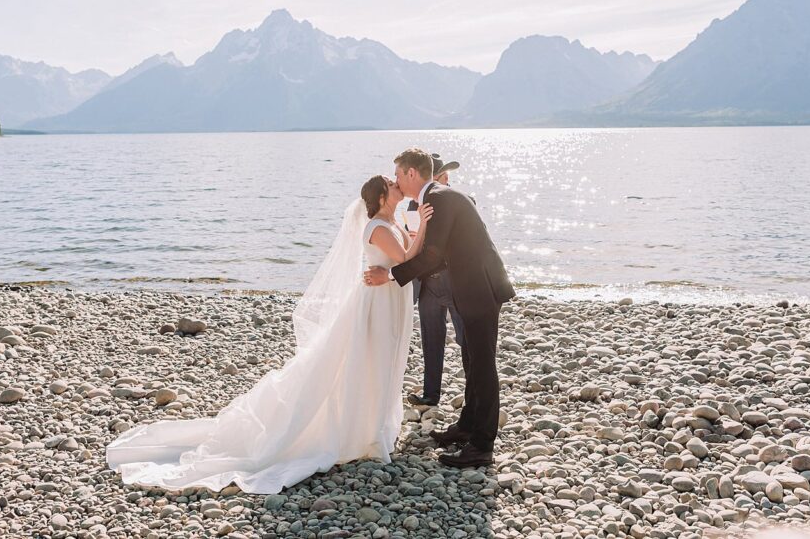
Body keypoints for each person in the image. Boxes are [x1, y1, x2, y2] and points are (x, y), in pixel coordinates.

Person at [105, 175, 433, 493]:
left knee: (377, 359)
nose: (396, 185)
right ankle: (359, 428)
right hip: (374, 304)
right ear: (379, 197)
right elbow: (407, 258)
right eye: (391, 185)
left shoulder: (394, 221)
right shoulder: (377, 226)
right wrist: (426, 225)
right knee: (364, 360)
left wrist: (418, 221)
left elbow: (406, 251)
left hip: (387, 298)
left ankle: (371, 423)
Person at [364, 148, 514, 468]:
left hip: (480, 290)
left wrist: (389, 275)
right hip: (471, 289)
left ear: (412, 174)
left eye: (399, 175)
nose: (396, 181)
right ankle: (467, 425)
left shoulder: (441, 199)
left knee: (483, 366)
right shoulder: (435, 198)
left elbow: (432, 255)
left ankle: (482, 446)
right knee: (472, 359)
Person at [406, 153, 467, 408]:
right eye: (444, 174)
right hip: (427, 282)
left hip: (455, 280)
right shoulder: (413, 207)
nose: (448, 179)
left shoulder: (462, 200)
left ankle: (474, 392)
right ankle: (431, 394)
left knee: (466, 338)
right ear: (434, 177)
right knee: (430, 338)